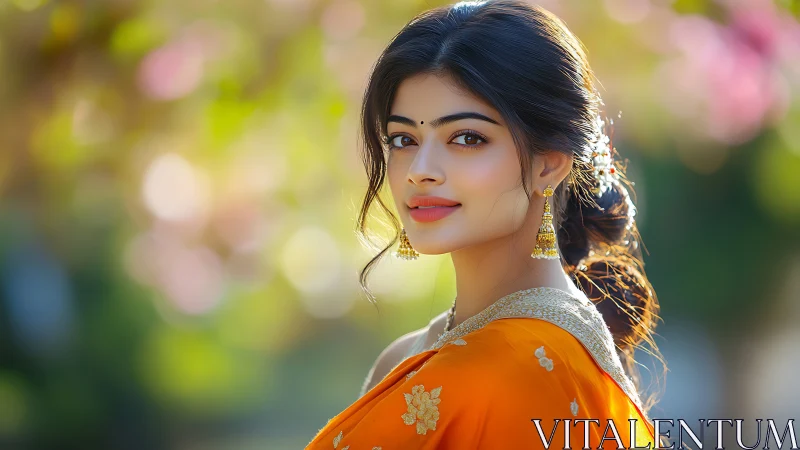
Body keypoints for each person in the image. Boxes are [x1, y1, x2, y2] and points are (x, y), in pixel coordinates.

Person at [306, 0, 665, 448]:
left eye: (467, 138)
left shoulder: (519, 369)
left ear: (548, 166)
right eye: (404, 139)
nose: (420, 169)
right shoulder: (407, 356)